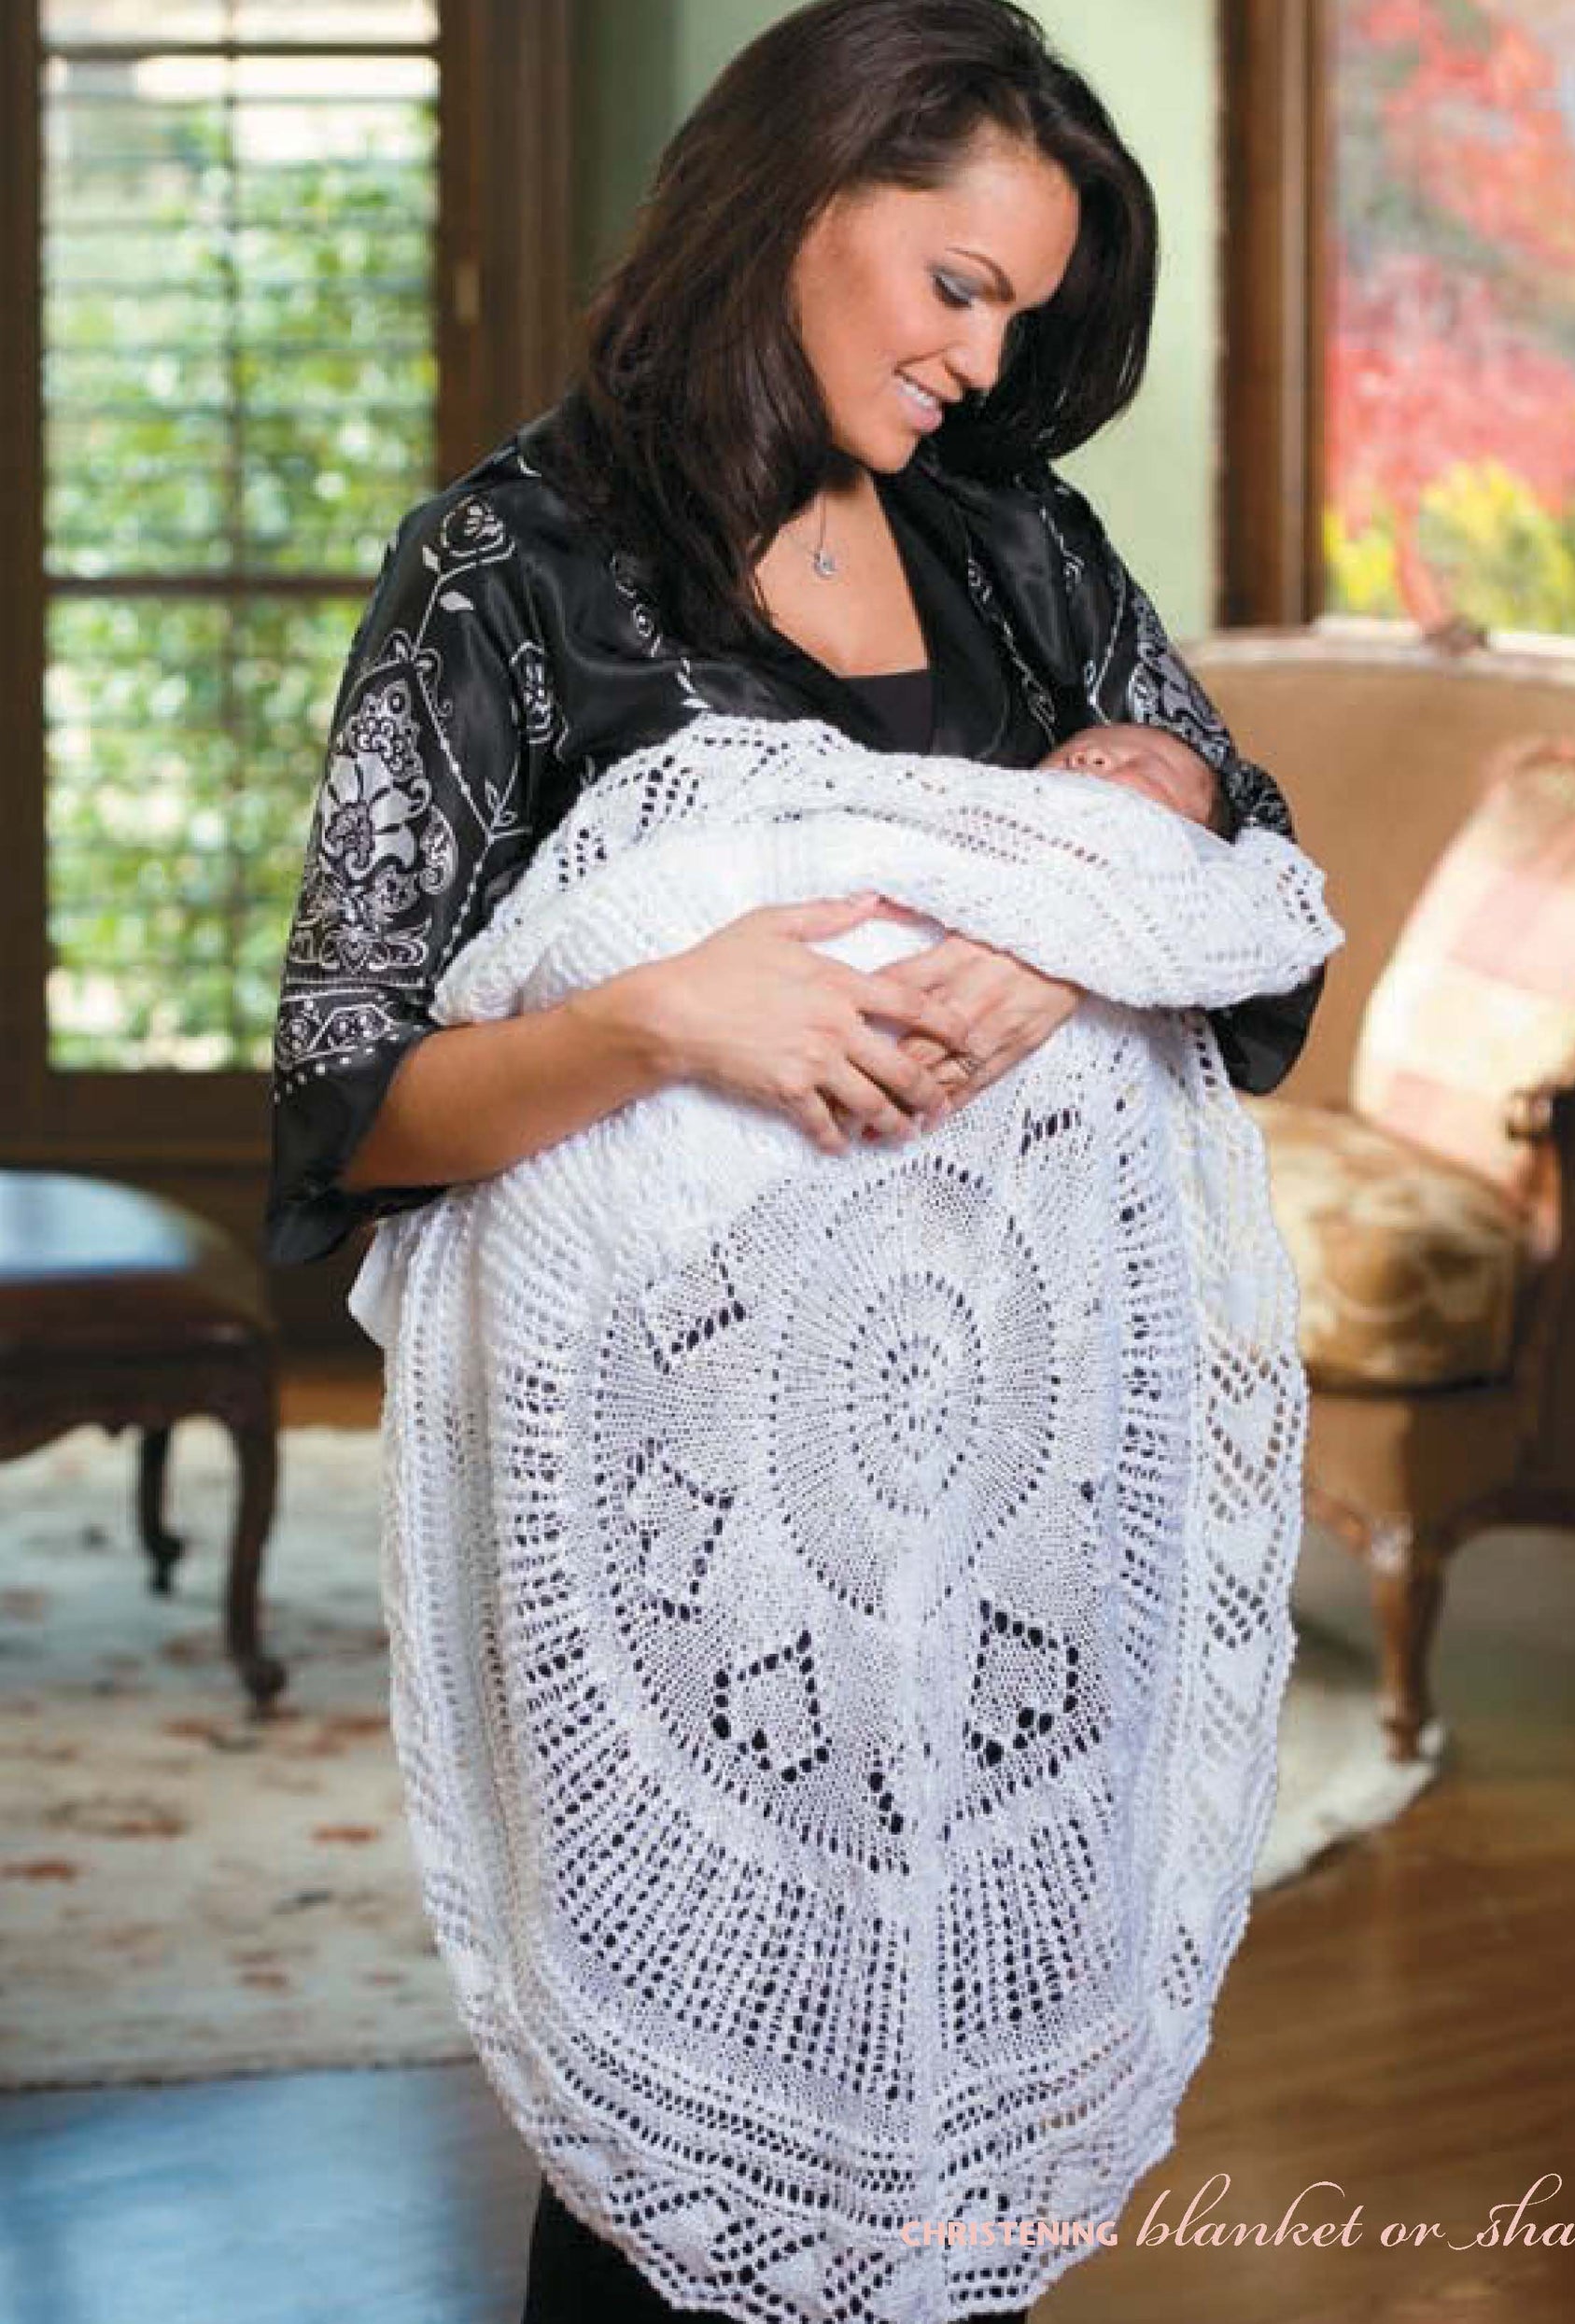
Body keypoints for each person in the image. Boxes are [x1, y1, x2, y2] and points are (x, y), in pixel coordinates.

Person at [264, 4, 1328, 2317]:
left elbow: (1246, 913)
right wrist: (660, 1013)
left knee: (960, 2096)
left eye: (1020, 316)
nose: (979, 356)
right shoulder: (507, 578)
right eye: (955, 284)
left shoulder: (1012, 545)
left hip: (999, 1479)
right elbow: (347, 1116)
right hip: (690, 1532)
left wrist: (1069, 918)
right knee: (700, 2102)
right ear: (794, 197)